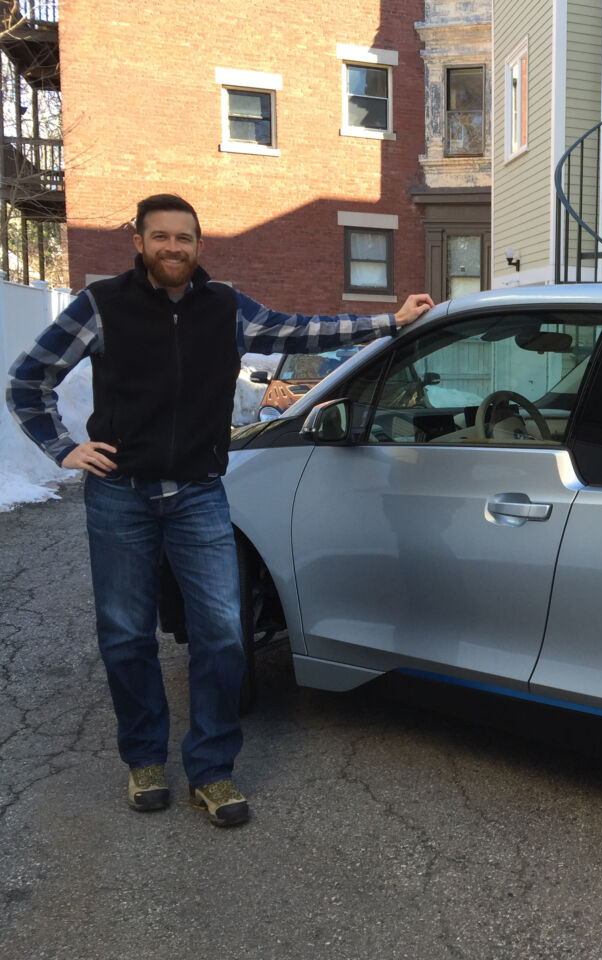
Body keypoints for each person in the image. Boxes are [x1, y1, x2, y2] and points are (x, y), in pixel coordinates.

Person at [5, 194, 434, 826]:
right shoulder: (102, 307)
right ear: (140, 242)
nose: (173, 248)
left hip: (199, 494)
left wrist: (389, 322)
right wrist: (63, 449)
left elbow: (300, 329)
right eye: (161, 237)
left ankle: (211, 768)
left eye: (184, 238)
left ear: (198, 246)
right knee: (125, 636)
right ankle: (145, 759)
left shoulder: (225, 307)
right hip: (120, 495)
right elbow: (27, 379)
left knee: (221, 635)